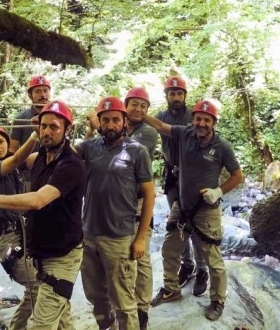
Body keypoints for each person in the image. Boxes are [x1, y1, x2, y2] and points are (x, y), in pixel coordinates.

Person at [0, 101, 85, 330]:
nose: (48, 131)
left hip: (59, 254)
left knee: (43, 313)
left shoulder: (70, 165)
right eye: (44, 127)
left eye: (54, 127)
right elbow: (17, 161)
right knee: (41, 295)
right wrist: (35, 135)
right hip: (34, 249)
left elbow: (37, 199)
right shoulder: (38, 158)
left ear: (67, 130)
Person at [145, 100, 244, 322]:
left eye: (206, 120)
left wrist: (219, 191)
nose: (201, 123)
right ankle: (171, 288)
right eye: (198, 118)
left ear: (213, 123)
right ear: (193, 120)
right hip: (182, 204)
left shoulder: (222, 147)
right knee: (170, 249)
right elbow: (161, 127)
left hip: (206, 209)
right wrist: (139, 113)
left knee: (213, 258)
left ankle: (217, 300)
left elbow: (238, 176)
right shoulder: (184, 134)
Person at [78, 96, 155, 330]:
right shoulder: (89, 147)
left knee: (123, 299)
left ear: (124, 122)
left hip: (119, 236)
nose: (111, 125)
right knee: (96, 295)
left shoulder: (137, 151)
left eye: (115, 120)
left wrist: (140, 237)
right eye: (106, 120)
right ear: (99, 122)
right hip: (89, 234)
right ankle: (106, 326)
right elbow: (64, 155)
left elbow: (150, 195)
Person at [0, 126, 40, 329]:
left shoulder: (17, 169)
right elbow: (16, 160)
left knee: (36, 287)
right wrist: (34, 136)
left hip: (21, 231)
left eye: (1, 141)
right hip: (5, 238)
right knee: (37, 287)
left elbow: (39, 157)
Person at [154, 76, 207, 296]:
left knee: (195, 222)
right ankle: (187, 264)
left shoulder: (193, 117)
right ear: (166, 96)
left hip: (193, 176)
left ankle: (202, 268)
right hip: (172, 174)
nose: (176, 97)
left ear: (184, 96)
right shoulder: (160, 116)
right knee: (177, 223)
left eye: (179, 94)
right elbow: (149, 127)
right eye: (172, 94)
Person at [123, 87, 158, 330]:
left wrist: (110, 127)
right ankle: (126, 306)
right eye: (134, 104)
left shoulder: (148, 133)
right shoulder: (118, 127)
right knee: (123, 257)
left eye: (143, 106)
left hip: (138, 201)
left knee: (141, 257)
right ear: (126, 106)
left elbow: (127, 151)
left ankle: (142, 308)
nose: (138, 109)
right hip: (117, 203)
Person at [10, 75, 52, 153]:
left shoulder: (58, 117)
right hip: (27, 163)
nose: (43, 95)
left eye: (45, 91)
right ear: (30, 96)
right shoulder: (20, 119)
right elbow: (12, 150)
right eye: (37, 91)